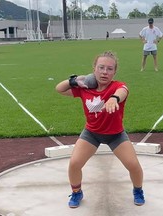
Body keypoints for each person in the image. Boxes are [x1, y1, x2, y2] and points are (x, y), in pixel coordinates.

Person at [55, 51, 145, 208]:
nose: (105, 72)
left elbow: (123, 91)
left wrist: (114, 98)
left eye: (110, 69)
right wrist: (75, 80)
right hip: (91, 134)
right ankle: (77, 193)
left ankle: (138, 190)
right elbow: (59, 89)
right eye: (101, 67)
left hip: (116, 135)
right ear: (94, 69)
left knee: (133, 165)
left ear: (114, 72)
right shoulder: (85, 88)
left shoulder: (117, 86)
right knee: (75, 163)